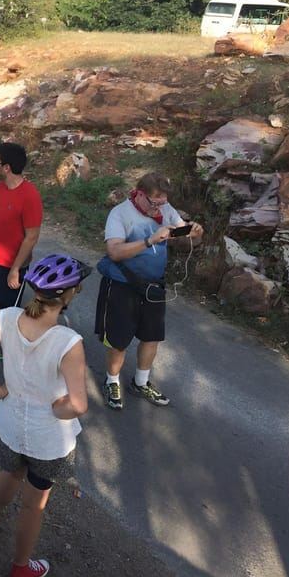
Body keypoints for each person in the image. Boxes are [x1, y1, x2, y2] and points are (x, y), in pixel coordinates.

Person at [0, 254, 91, 577]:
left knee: (10, 474)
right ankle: (20, 568)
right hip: (49, 441)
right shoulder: (68, 343)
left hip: (9, 425)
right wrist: (57, 409)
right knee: (34, 504)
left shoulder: (6, 318)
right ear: (69, 295)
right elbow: (78, 405)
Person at [95, 172, 203, 410]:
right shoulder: (120, 214)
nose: (159, 208)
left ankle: (140, 382)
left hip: (154, 285)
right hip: (122, 284)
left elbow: (186, 239)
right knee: (118, 339)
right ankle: (112, 380)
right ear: (139, 194)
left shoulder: (166, 209)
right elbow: (113, 251)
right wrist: (149, 241)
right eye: (155, 202)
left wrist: (195, 232)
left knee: (151, 336)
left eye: (163, 202)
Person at [0, 142, 43, 360]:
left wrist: (16, 269)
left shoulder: (29, 195)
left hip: (13, 265)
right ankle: (5, 328)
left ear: (6, 167)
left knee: (10, 308)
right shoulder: (1, 188)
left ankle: (13, 344)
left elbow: (32, 236)